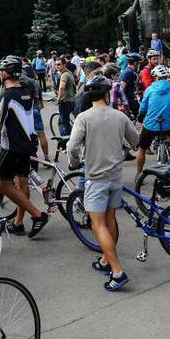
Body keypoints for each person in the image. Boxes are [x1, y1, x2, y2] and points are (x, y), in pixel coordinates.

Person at [67, 76, 139, 291]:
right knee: (110, 220)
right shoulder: (120, 116)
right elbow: (135, 141)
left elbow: (72, 147)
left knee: (98, 225)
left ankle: (117, 272)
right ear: (107, 94)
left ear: (89, 95)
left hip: (96, 178)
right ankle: (106, 261)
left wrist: (74, 162)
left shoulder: (84, 117)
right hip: (116, 177)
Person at [0, 57, 51, 237]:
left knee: (4, 186)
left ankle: (38, 215)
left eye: (2, 70)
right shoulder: (26, 90)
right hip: (27, 144)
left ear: (6, 73)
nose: (0, 73)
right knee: (22, 181)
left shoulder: (7, 94)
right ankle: (18, 222)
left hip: (11, 147)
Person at [136, 65, 170, 175]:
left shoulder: (150, 90)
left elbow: (143, 108)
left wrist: (140, 116)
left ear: (156, 77)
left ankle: (138, 174)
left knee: (142, 148)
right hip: (167, 125)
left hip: (150, 126)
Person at [55, 56, 76, 136]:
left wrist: (59, 99)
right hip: (71, 100)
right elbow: (74, 85)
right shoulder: (69, 73)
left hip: (65, 101)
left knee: (64, 124)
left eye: (59, 64)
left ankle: (65, 141)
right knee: (63, 121)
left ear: (64, 65)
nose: (57, 66)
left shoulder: (64, 75)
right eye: (56, 64)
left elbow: (61, 87)